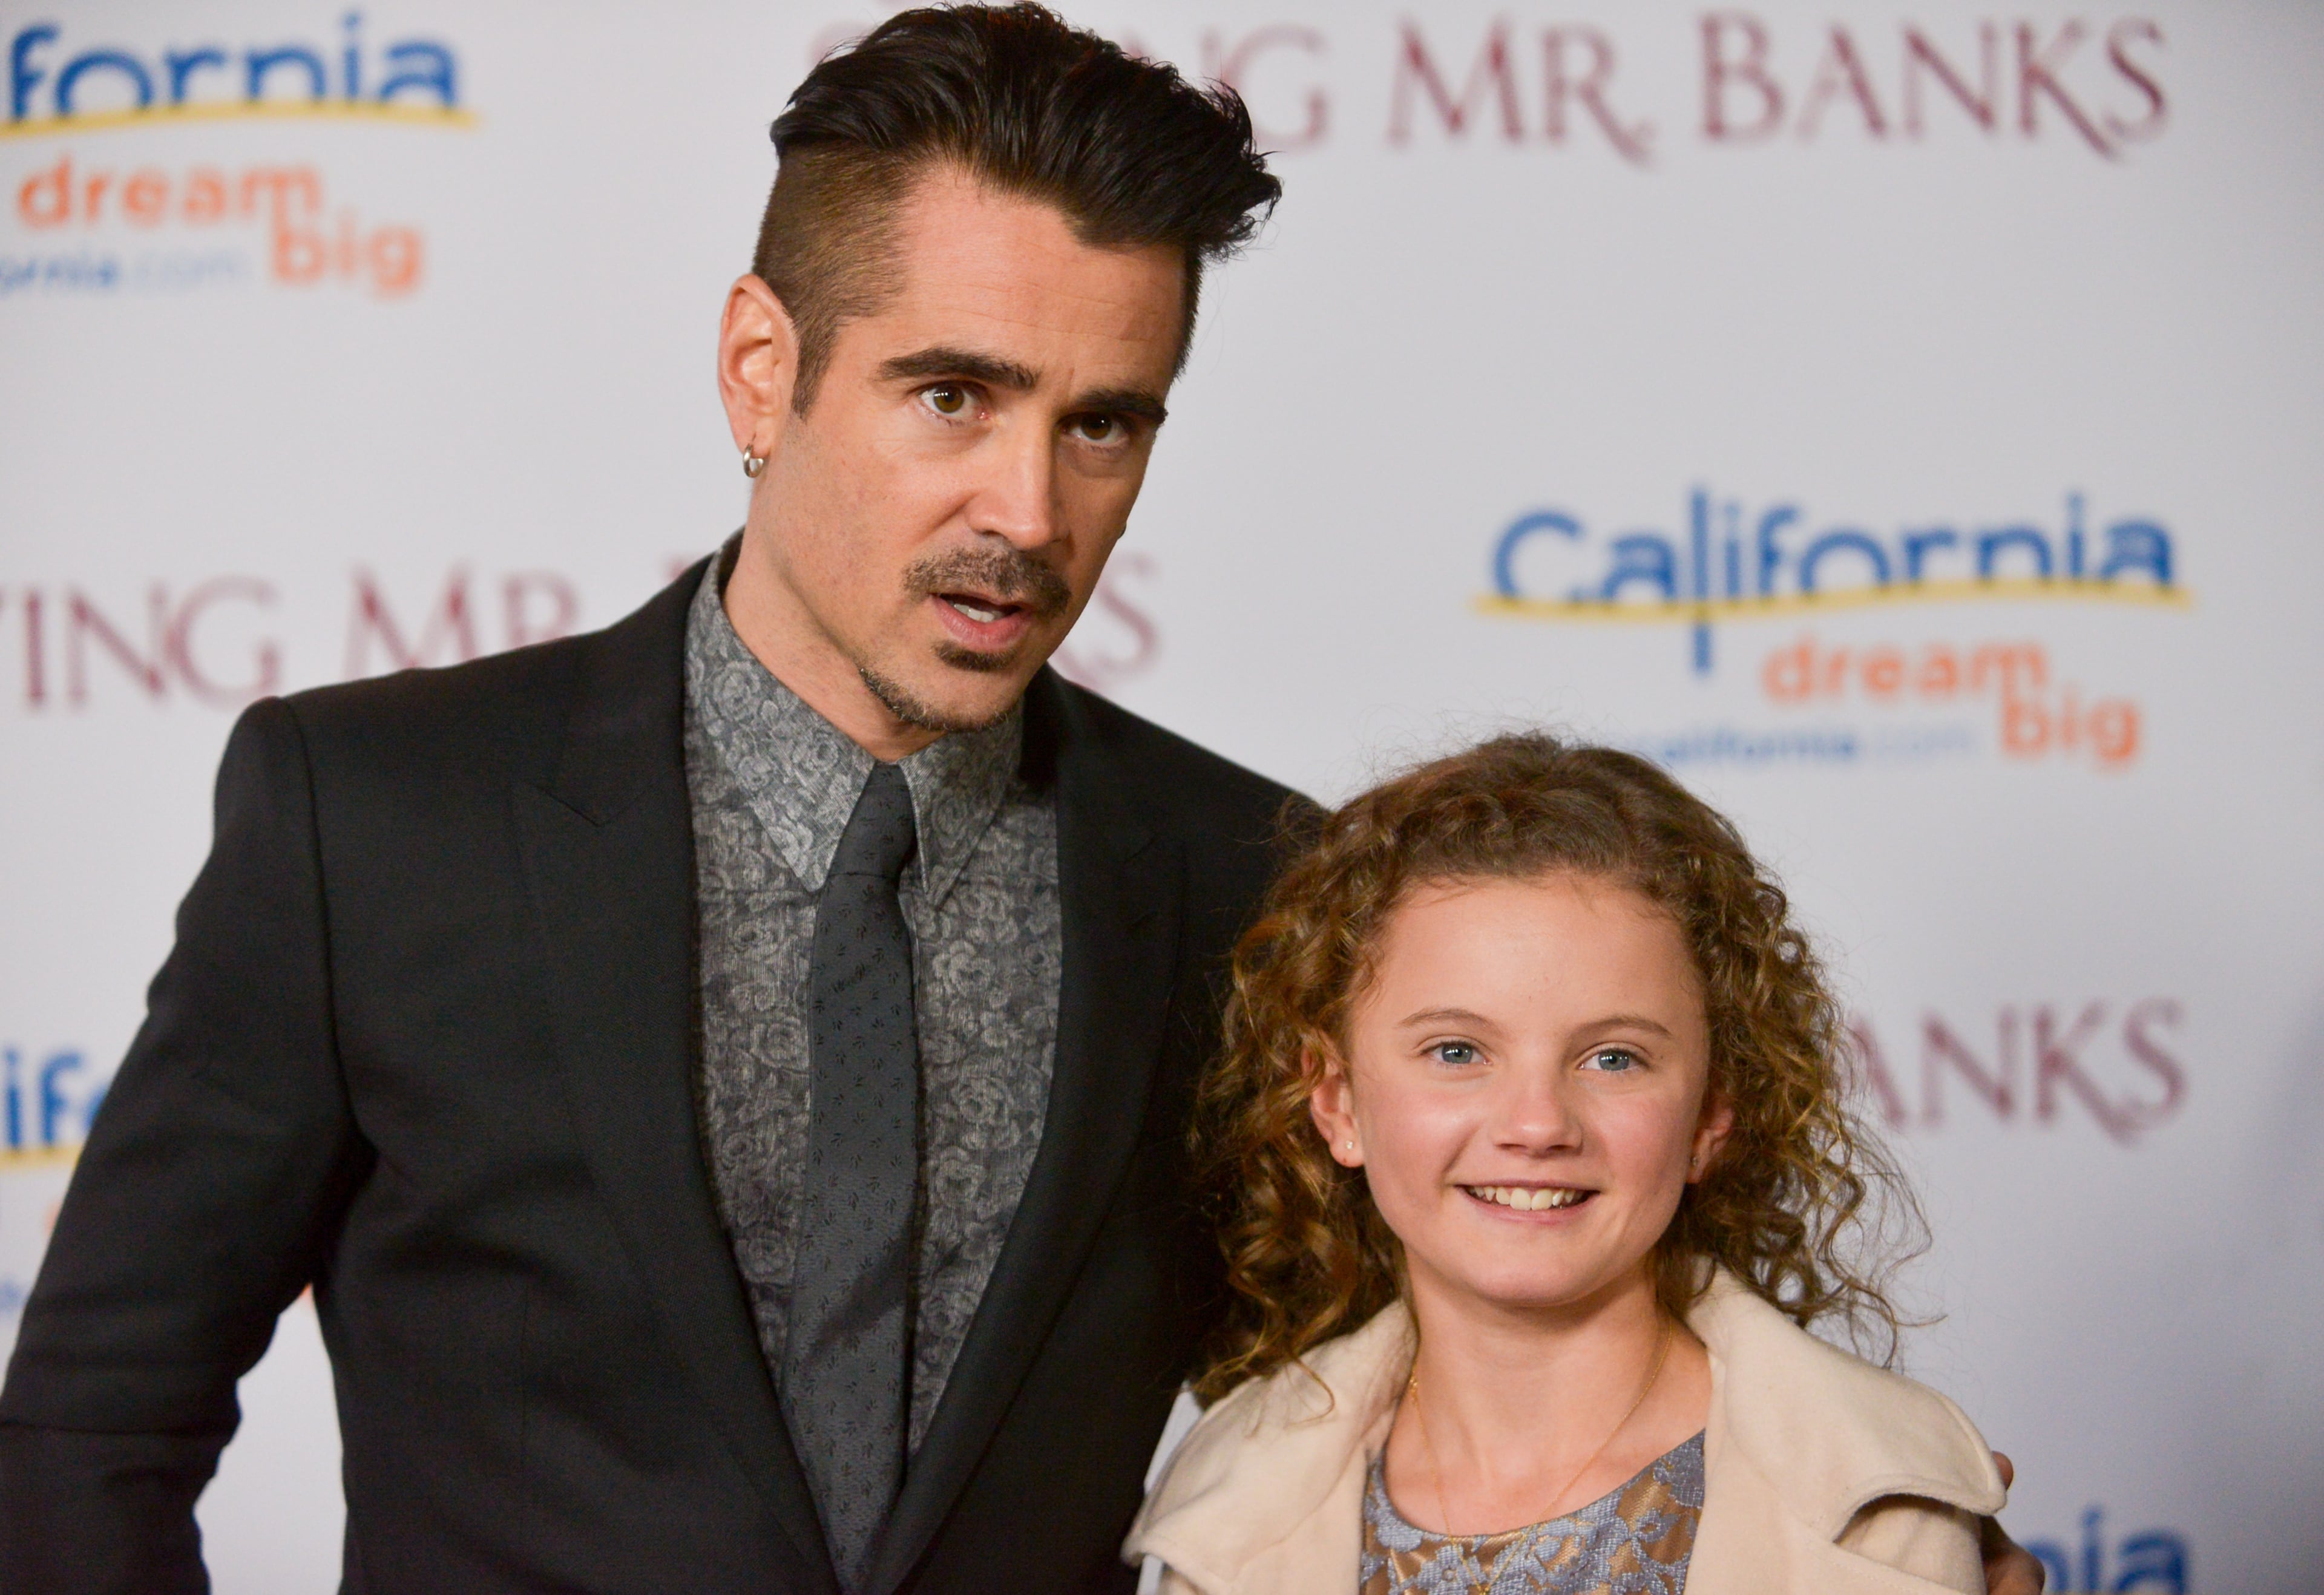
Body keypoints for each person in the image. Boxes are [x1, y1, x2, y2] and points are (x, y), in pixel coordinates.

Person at [0, 8, 2046, 1594]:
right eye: (952, 394)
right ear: (759, 366)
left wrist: (1862, 1501)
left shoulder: (1250, 877)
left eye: (1106, 424)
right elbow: (92, 1418)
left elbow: (1492, 1302)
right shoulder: (377, 814)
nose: (1028, 511)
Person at [1128, 734, 2013, 1593]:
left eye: (1614, 1058)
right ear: (1337, 1103)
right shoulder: (1227, 1511)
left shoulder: (1886, 1505)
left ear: (1711, 1114)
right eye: (1456, 1051)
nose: (1538, 1123)